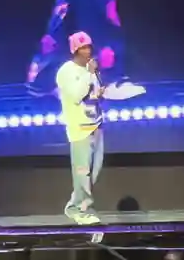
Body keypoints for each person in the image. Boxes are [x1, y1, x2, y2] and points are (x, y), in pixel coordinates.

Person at [56, 31, 105, 224]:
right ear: (75, 50)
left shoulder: (90, 70)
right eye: (83, 48)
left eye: (89, 47)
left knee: (95, 171)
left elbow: (93, 94)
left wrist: (99, 91)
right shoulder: (66, 72)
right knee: (82, 171)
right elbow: (76, 95)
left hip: (96, 125)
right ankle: (82, 209)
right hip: (79, 127)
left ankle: (75, 205)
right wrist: (90, 74)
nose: (88, 51)